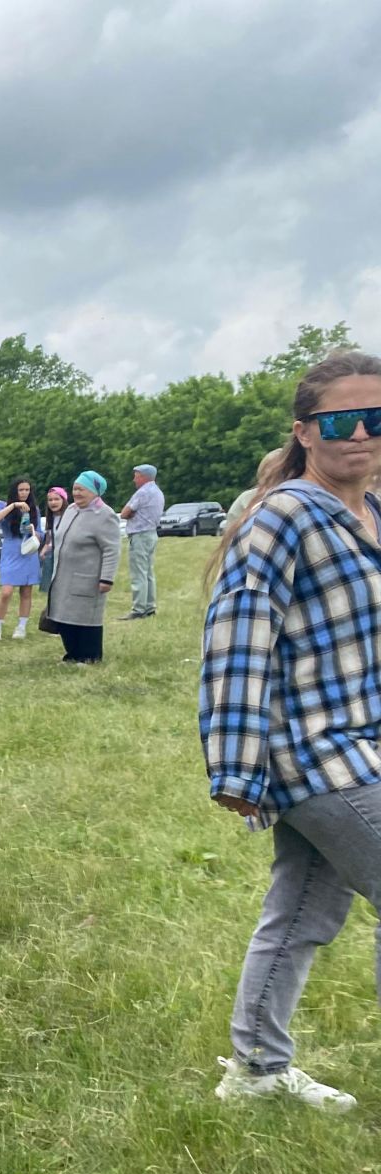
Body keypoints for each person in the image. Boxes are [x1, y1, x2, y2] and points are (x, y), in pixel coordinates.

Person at [201, 350, 381, 1111]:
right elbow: (238, 643)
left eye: (376, 419)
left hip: (362, 744)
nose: (361, 435)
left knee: (306, 909)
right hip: (315, 754)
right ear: (306, 430)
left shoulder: (371, 511)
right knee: (307, 911)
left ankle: (256, 1072)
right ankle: (257, 1068)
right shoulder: (283, 517)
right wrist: (236, 770)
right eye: (342, 420)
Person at [45, 471, 121, 664]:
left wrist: (107, 578)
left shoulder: (105, 515)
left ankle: (90, 656)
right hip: (63, 574)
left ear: (95, 492)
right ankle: (72, 654)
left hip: (88, 576)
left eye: (81, 489)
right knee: (64, 615)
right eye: (75, 489)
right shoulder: (71, 509)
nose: (77, 493)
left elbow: (111, 549)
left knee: (86, 618)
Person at [0, 476, 44, 639]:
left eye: (27, 490)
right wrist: (13, 506)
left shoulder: (34, 509)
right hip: (11, 550)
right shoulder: (3, 506)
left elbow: (40, 532)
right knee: (6, 591)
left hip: (28, 550)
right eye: (21, 490)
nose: (24, 493)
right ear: (15, 491)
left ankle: (21, 626)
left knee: (26, 591)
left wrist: (33, 530)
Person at [117, 463, 164, 619]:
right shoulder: (157, 492)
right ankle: (150, 606)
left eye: (136, 476)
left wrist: (131, 514)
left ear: (143, 477)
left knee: (139, 573)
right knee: (149, 572)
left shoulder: (142, 492)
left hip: (139, 535)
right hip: (151, 533)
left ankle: (138, 609)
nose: (134, 480)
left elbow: (124, 513)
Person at [38, 486, 68, 592]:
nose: (53, 502)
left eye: (56, 499)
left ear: (63, 500)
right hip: (52, 553)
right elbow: (49, 538)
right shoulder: (51, 519)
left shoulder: (69, 517)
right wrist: (43, 550)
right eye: (50, 500)